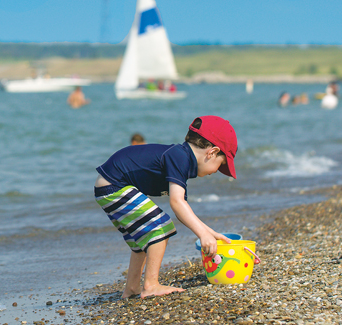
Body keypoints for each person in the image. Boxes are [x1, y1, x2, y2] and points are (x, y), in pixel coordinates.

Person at [94, 116, 237, 299]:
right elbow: (177, 203)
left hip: (108, 185)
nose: (216, 171)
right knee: (161, 226)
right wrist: (202, 235)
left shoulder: (181, 157)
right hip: (115, 185)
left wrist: (210, 233)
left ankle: (132, 288)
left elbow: (185, 210)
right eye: (221, 165)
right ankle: (151, 285)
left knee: (142, 240)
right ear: (212, 152)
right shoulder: (180, 157)